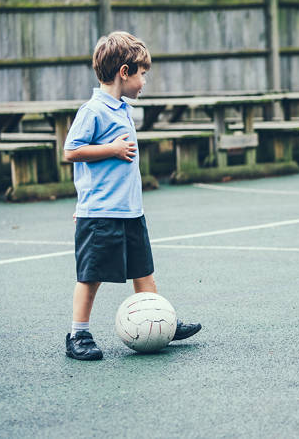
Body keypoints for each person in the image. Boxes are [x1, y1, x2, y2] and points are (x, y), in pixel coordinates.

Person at [63, 31, 201, 360]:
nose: (144, 82)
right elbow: (71, 151)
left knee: (143, 271)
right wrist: (110, 150)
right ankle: (78, 334)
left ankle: (160, 319)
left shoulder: (122, 108)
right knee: (91, 275)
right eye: (142, 74)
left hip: (130, 211)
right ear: (124, 72)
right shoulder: (92, 110)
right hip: (100, 213)